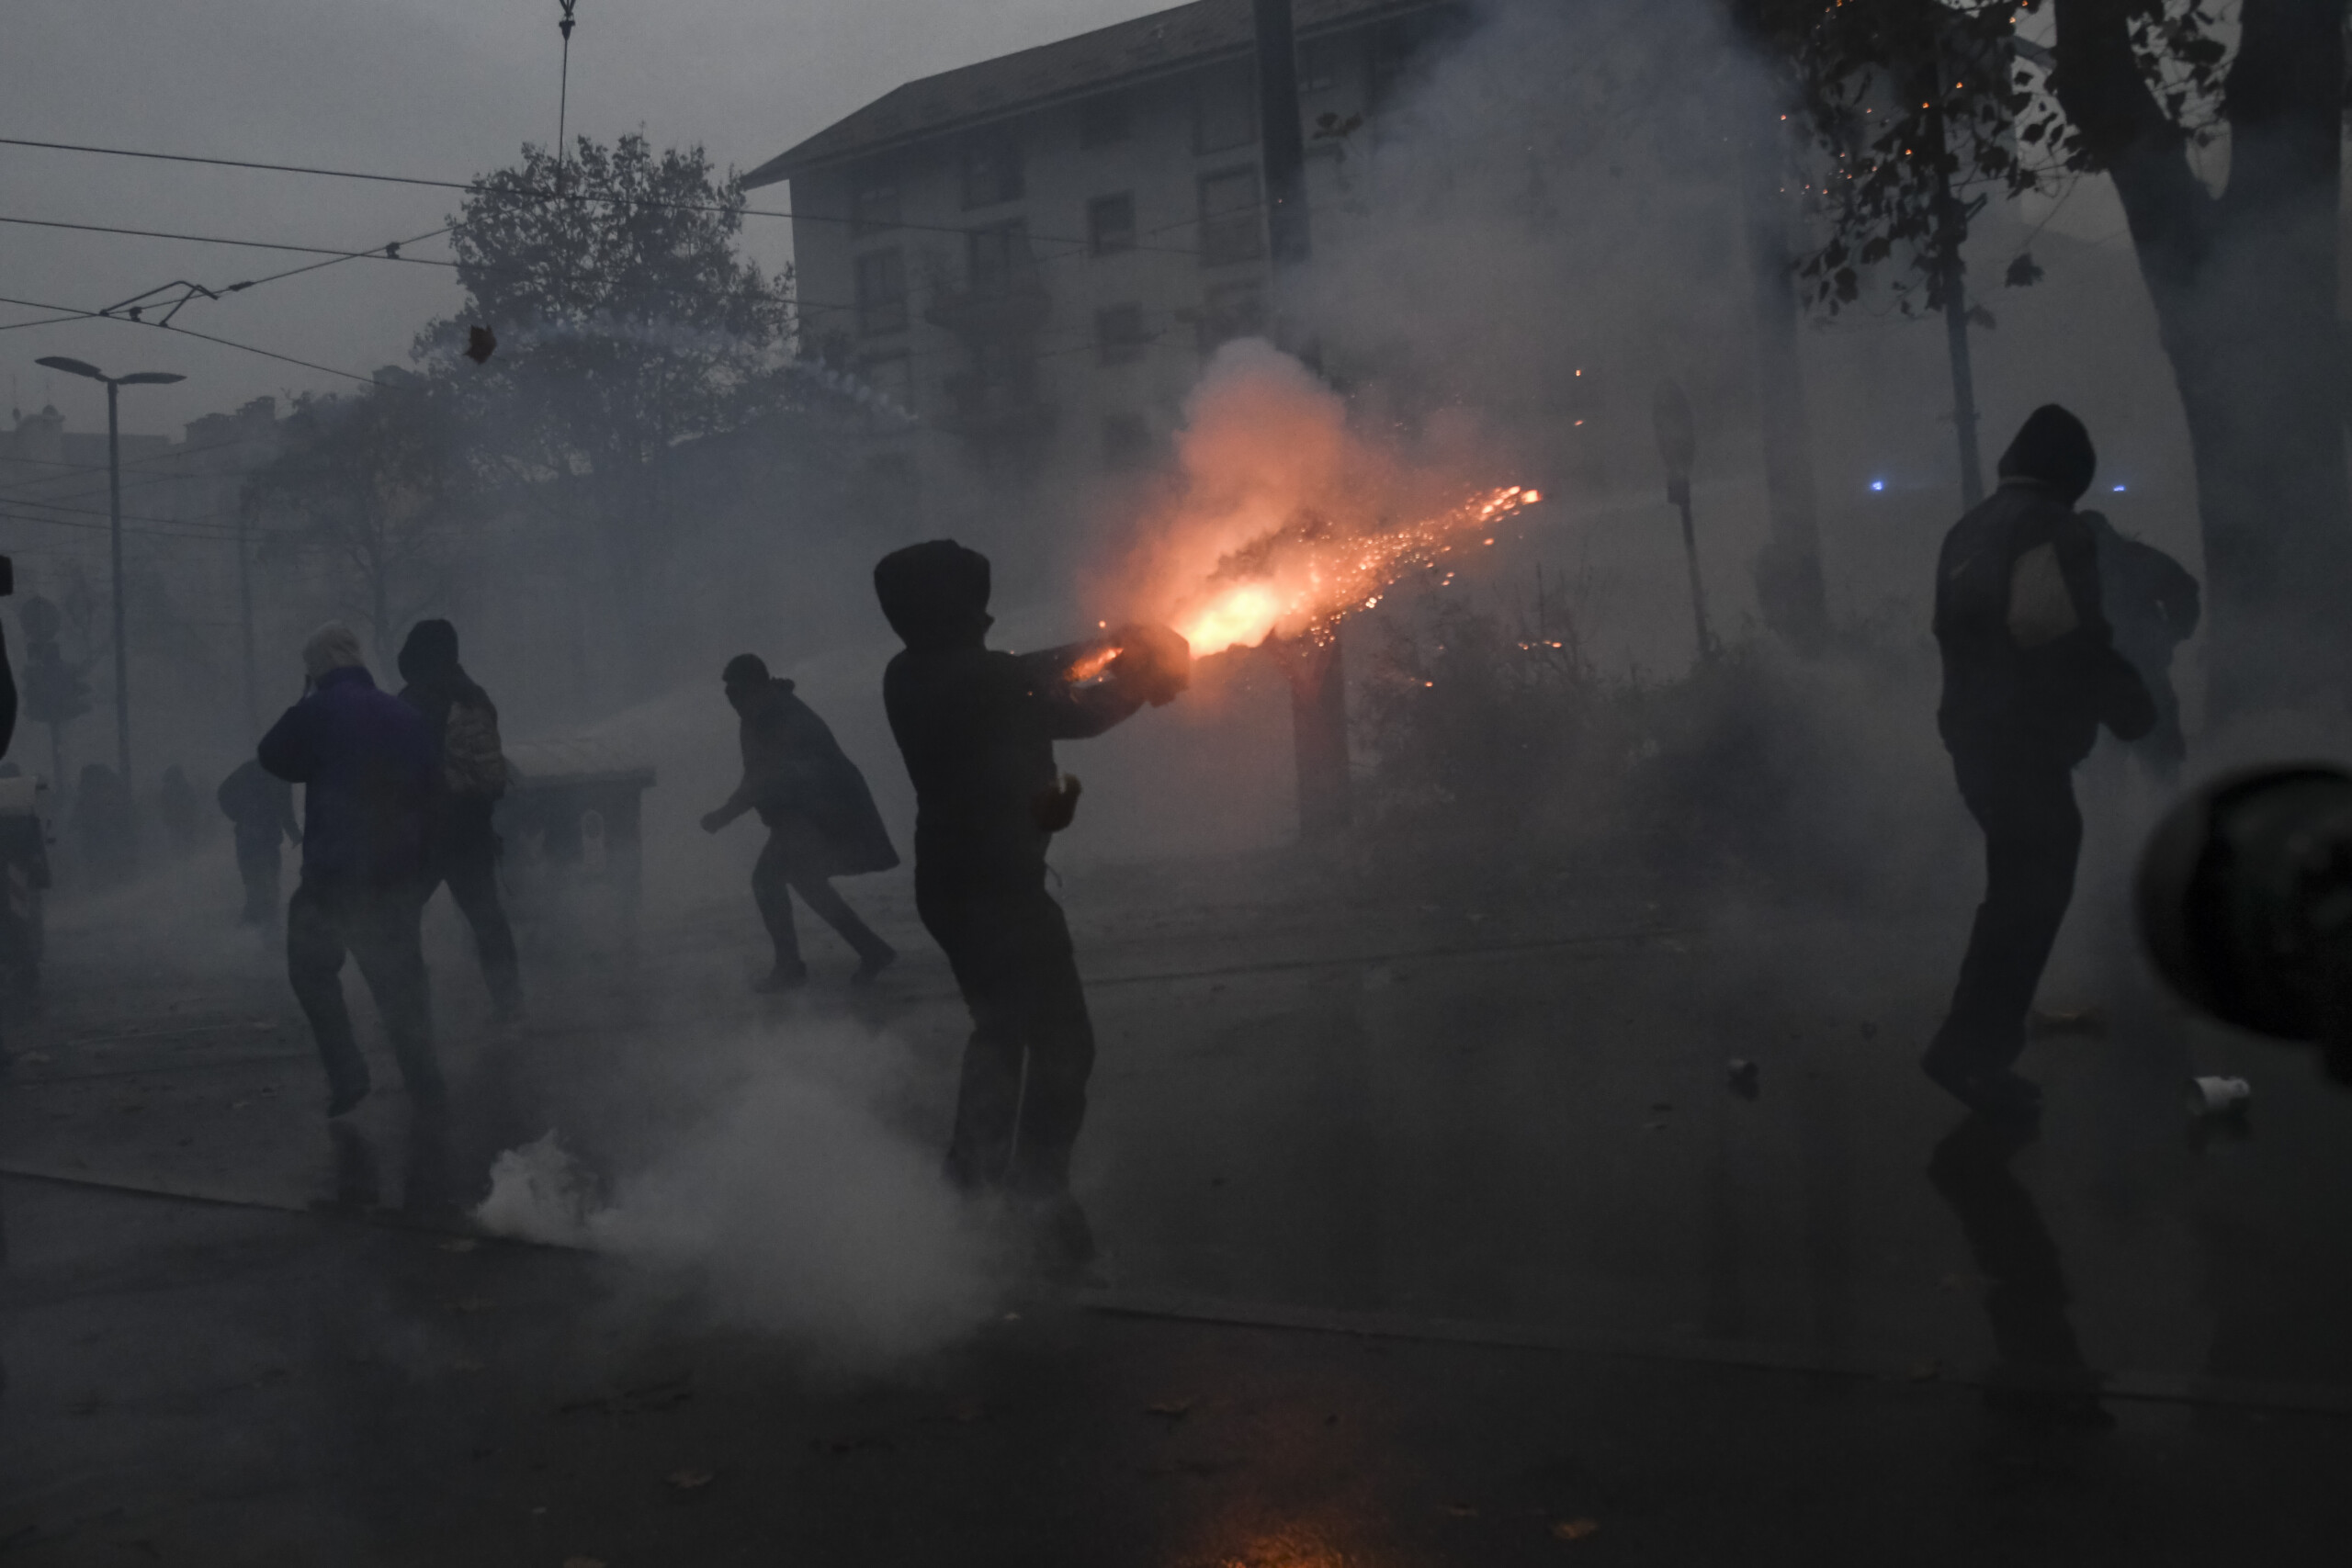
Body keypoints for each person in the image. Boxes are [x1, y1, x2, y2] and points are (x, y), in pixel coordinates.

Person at [874, 540, 1188, 1267]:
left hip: (952, 884)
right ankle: (1037, 1197)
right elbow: (1076, 708)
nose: (987, 613)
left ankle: (970, 1189)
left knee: (1001, 1032)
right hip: (1000, 891)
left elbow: (1029, 671)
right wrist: (1145, 673)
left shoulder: (908, 672)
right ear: (954, 609)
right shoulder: (984, 680)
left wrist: (1124, 644)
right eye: (974, 601)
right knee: (1063, 1044)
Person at [1925, 405, 2154, 1121]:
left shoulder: (1967, 529)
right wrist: (2125, 699)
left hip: (1974, 739)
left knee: (2016, 890)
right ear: (2070, 473)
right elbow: (2050, 629)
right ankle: (1970, 1049)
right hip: (2021, 743)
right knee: (2030, 892)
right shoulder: (2049, 526)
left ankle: (1974, 1047)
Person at [259, 623, 440, 1117]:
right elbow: (432, 790)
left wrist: (304, 698)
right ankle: (426, 1083)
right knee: (401, 984)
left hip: (333, 874)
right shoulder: (403, 714)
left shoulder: (317, 712)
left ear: (316, 668)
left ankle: (347, 1073)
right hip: (396, 873)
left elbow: (273, 756)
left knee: (311, 970)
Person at [700, 653, 899, 990]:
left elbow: (768, 778)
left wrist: (724, 815)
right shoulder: (761, 712)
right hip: (809, 811)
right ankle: (870, 949)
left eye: (737, 692)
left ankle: (790, 965)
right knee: (805, 879)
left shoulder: (777, 715)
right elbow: (759, 775)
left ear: (756, 687)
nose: (732, 701)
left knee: (767, 880)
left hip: (823, 809)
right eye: (729, 694)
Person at [395, 620, 521, 1021]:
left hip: (425, 834)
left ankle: (413, 1017)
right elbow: (492, 775)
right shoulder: (473, 697)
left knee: (400, 920)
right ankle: (511, 1011)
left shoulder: (412, 701)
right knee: (488, 923)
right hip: (470, 830)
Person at [2084, 510, 2199, 787]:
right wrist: (2173, 634)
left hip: (2117, 673)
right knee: (2154, 762)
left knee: (2112, 765)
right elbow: (2183, 589)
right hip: (2128, 672)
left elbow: (2182, 589)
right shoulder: (2132, 557)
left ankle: (2123, 811)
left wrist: (2172, 633)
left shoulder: (2073, 565)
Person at [216, 757, 300, 930]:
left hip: (250, 835)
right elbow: (285, 807)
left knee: (255, 882)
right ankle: (265, 927)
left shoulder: (249, 769)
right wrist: (293, 832)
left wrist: (239, 815)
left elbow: (223, 793)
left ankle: (253, 925)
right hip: (265, 836)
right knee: (267, 883)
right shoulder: (279, 773)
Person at [70, 763, 136, 889]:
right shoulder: (90, 800)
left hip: (101, 843)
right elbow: (75, 823)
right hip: (99, 843)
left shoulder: (89, 799)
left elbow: (76, 821)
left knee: (103, 870)